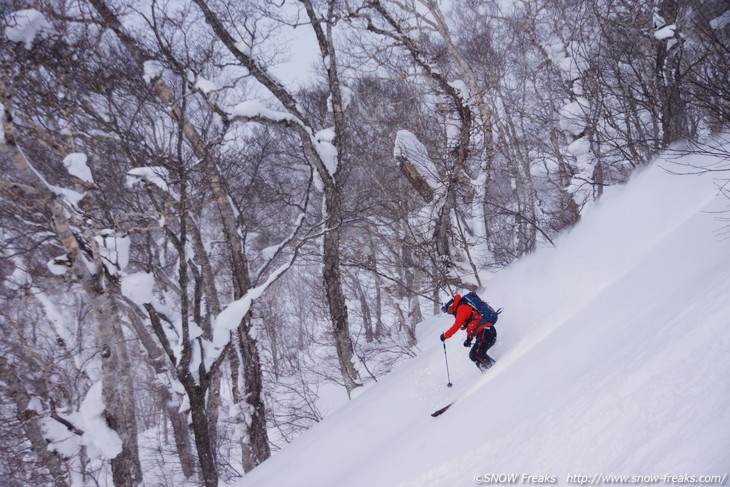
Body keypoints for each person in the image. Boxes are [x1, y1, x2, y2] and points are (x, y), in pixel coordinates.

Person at [440, 294, 497, 371]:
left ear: (450, 304)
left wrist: (445, 335)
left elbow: (457, 325)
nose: (446, 312)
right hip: (485, 332)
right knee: (473, 355)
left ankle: (495, 369)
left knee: (477, 354)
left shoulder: (461, 308)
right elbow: (472, 325)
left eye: (445, 309)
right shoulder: (460, 309)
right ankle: (486, 371)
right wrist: (469, 339)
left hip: (486, 331)